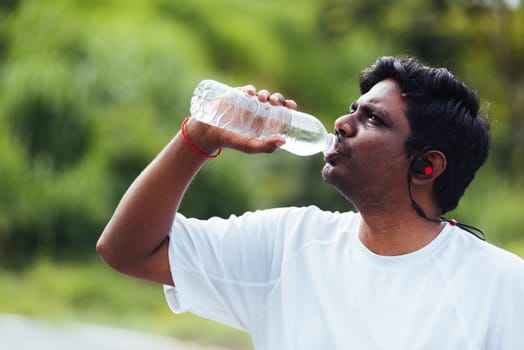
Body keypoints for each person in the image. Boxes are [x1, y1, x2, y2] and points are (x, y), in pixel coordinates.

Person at [96, 56, 524, 349]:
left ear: (426, 167)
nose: (342, 123)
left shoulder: (501, 285)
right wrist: (200, 136)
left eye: (372, 118)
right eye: (353, 108)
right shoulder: (289, 242)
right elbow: (126, 250)